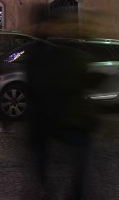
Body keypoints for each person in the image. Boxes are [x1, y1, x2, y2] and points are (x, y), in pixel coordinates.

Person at [26, 36, 99, 199]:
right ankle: (72, 192)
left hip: (57, 119)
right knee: (79, 161)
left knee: (53, 160)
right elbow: (89, 81)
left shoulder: (50, 59)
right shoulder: (77, 59)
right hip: (70, 120)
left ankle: (52, 190)